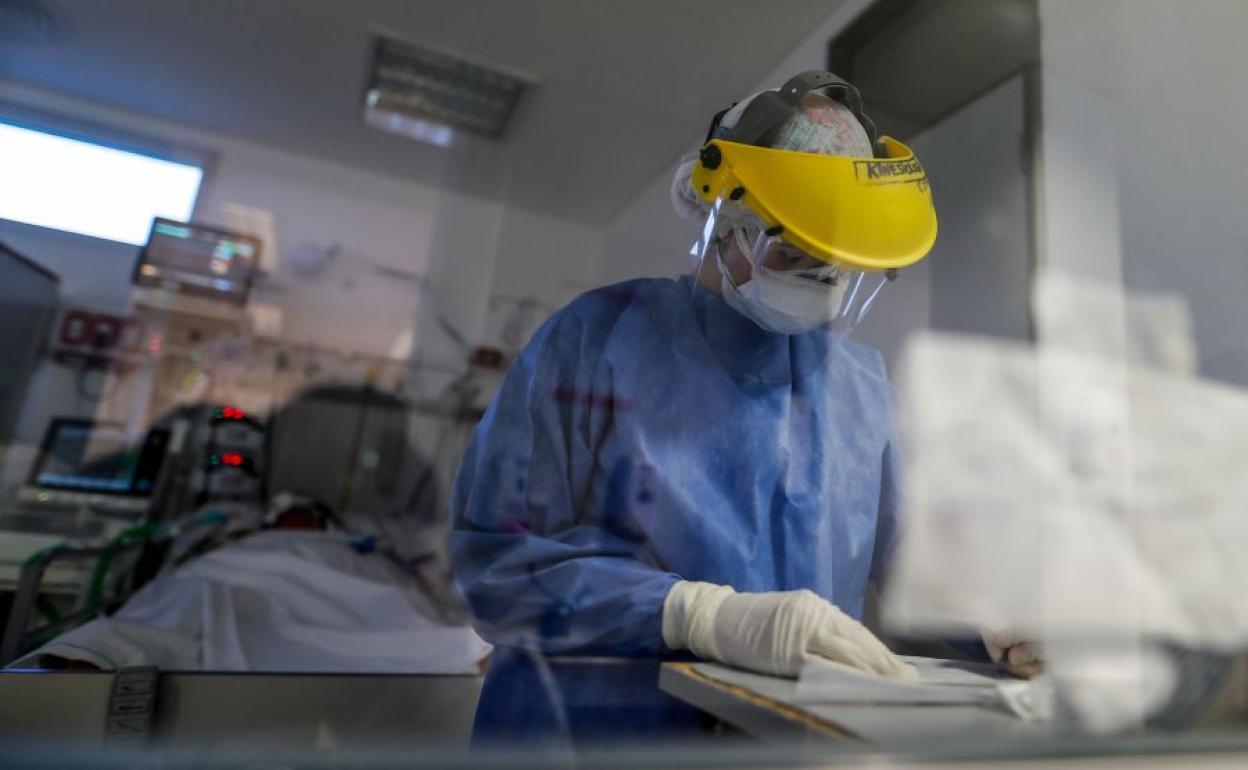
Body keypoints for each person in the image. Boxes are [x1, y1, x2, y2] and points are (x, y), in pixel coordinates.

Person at [450, 71, 941, 700]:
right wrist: (695, 615)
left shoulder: (862, 387)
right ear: (724, 214)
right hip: (593, 735)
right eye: (794, 251)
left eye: (841, 261)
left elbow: (918, 564)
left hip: (792, 736)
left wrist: (994, 619)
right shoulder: (595, 342)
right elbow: (492, 562)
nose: (824, 279)